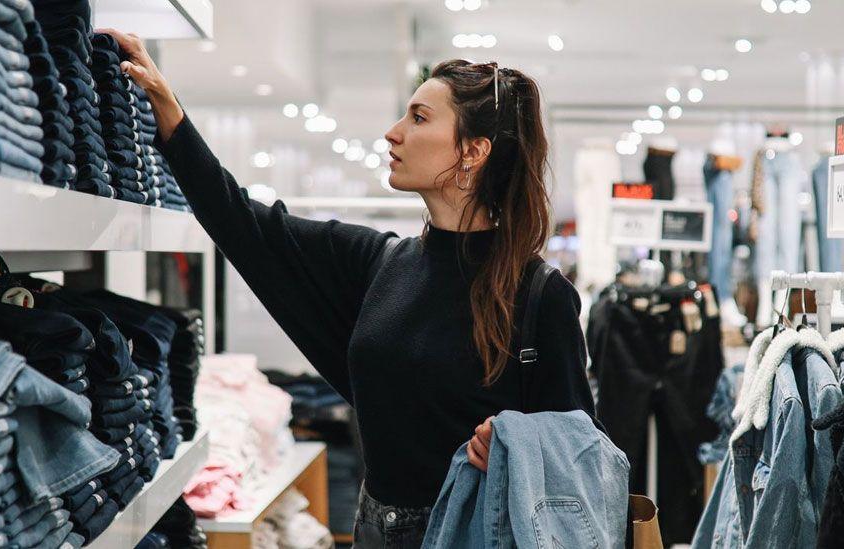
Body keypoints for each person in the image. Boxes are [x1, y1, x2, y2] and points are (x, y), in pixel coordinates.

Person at [99, 28, 596, 548]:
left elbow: (582, 448)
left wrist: (518, 447)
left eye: (419, 118)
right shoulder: (380, 261)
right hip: (373, 527)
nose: (393, 132)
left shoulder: (540, 295)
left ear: (472, 151)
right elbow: (243, 223)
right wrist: (168, 111)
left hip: (479, 530)